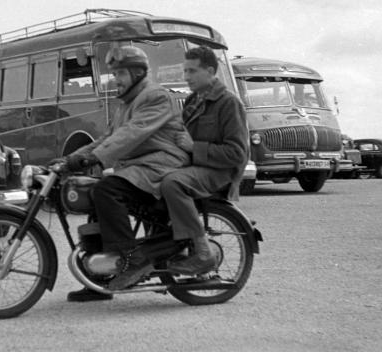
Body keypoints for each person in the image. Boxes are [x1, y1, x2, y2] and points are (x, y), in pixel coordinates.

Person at [63, 45, 190, 300]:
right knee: (94, 195)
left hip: (161, 164)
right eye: (115, 74)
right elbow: (109, 137)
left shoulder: (155, 96)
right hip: (141, 165)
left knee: (107, 190)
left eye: (120, 74)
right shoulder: (127, 103)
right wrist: (72, 159)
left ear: (137, 73)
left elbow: (133, 134)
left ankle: (132, 260)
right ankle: (98, 277)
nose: (115, 79)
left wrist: (94, 157)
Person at [159, 46, 248, 276]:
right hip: (197, 167)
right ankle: (159, 250)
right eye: (185, 71)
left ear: (210, 71)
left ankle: (202, 253)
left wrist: (194, 148)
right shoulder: (193, 100)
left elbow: (237, 153)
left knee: (173, 183)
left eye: (192, 71)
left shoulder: (229, 103)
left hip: (220, 172)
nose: (186, 77)